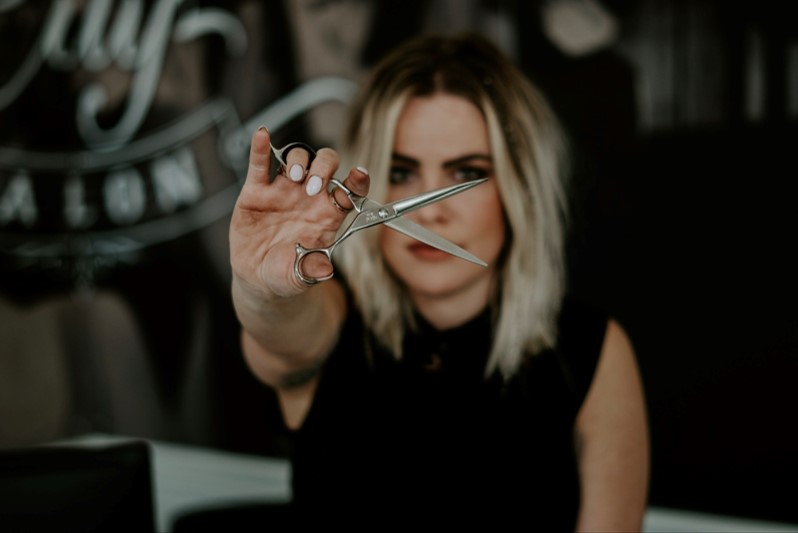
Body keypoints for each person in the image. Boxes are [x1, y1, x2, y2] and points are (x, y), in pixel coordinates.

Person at [229, 32, 649, 529]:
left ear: (519, 185)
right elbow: (278, 331)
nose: (430, 211)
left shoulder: (591, 349)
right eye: (402, 172)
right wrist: (261, 287)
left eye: (465, 172)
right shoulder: (331, 320)